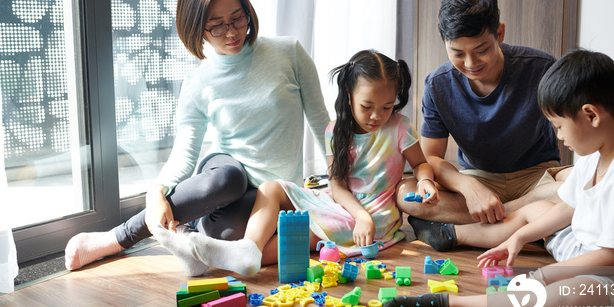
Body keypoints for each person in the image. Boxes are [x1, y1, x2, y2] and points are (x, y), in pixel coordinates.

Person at [383, 49, 614, 307]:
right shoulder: (597, 152)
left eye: (559, 126)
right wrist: (519, 237)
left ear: (591, 115)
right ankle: (454, 236)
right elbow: (567, 207)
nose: (560, 138)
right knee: (535, 211)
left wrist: (542, 275)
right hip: (590, 248)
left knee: (568, 295)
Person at [64, 0, 329, 271]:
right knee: (230, 179)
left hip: (270, 194)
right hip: (225, 174)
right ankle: (118, 237)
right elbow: (185, 153)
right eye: (216, 26)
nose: (231, 32)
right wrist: (157, 191)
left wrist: (343, 186)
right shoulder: (199, 83)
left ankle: (188, 238)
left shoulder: (288, 53)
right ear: (197, 29)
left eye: (238, 18)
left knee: (229, 237)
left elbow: (322, 123)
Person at [151, 50, 440, 276]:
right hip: (342, 203)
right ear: (349, 96)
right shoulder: (335, 131)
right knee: (272, 188)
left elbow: (420, 165)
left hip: (375, 215)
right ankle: (246, 250)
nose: (377, 116)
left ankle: (222, 258)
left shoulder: (401, 127)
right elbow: (338, 187)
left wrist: (425, 180)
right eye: (368, 106)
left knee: (304, 234)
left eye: (387, 107)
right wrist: (357, 214)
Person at [399, 0, 570, 253]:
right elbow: (430, 159)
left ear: (499, 32)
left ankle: (472, 228)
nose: (470, 63)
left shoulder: (542, 69)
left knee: (587, 185)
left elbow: (573, 128)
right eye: (457, 53)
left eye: (481, 50)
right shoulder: (438, 85)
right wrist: (469, 187)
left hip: (538, 177)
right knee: (406, 194)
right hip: (479, 178)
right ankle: (529, 218)